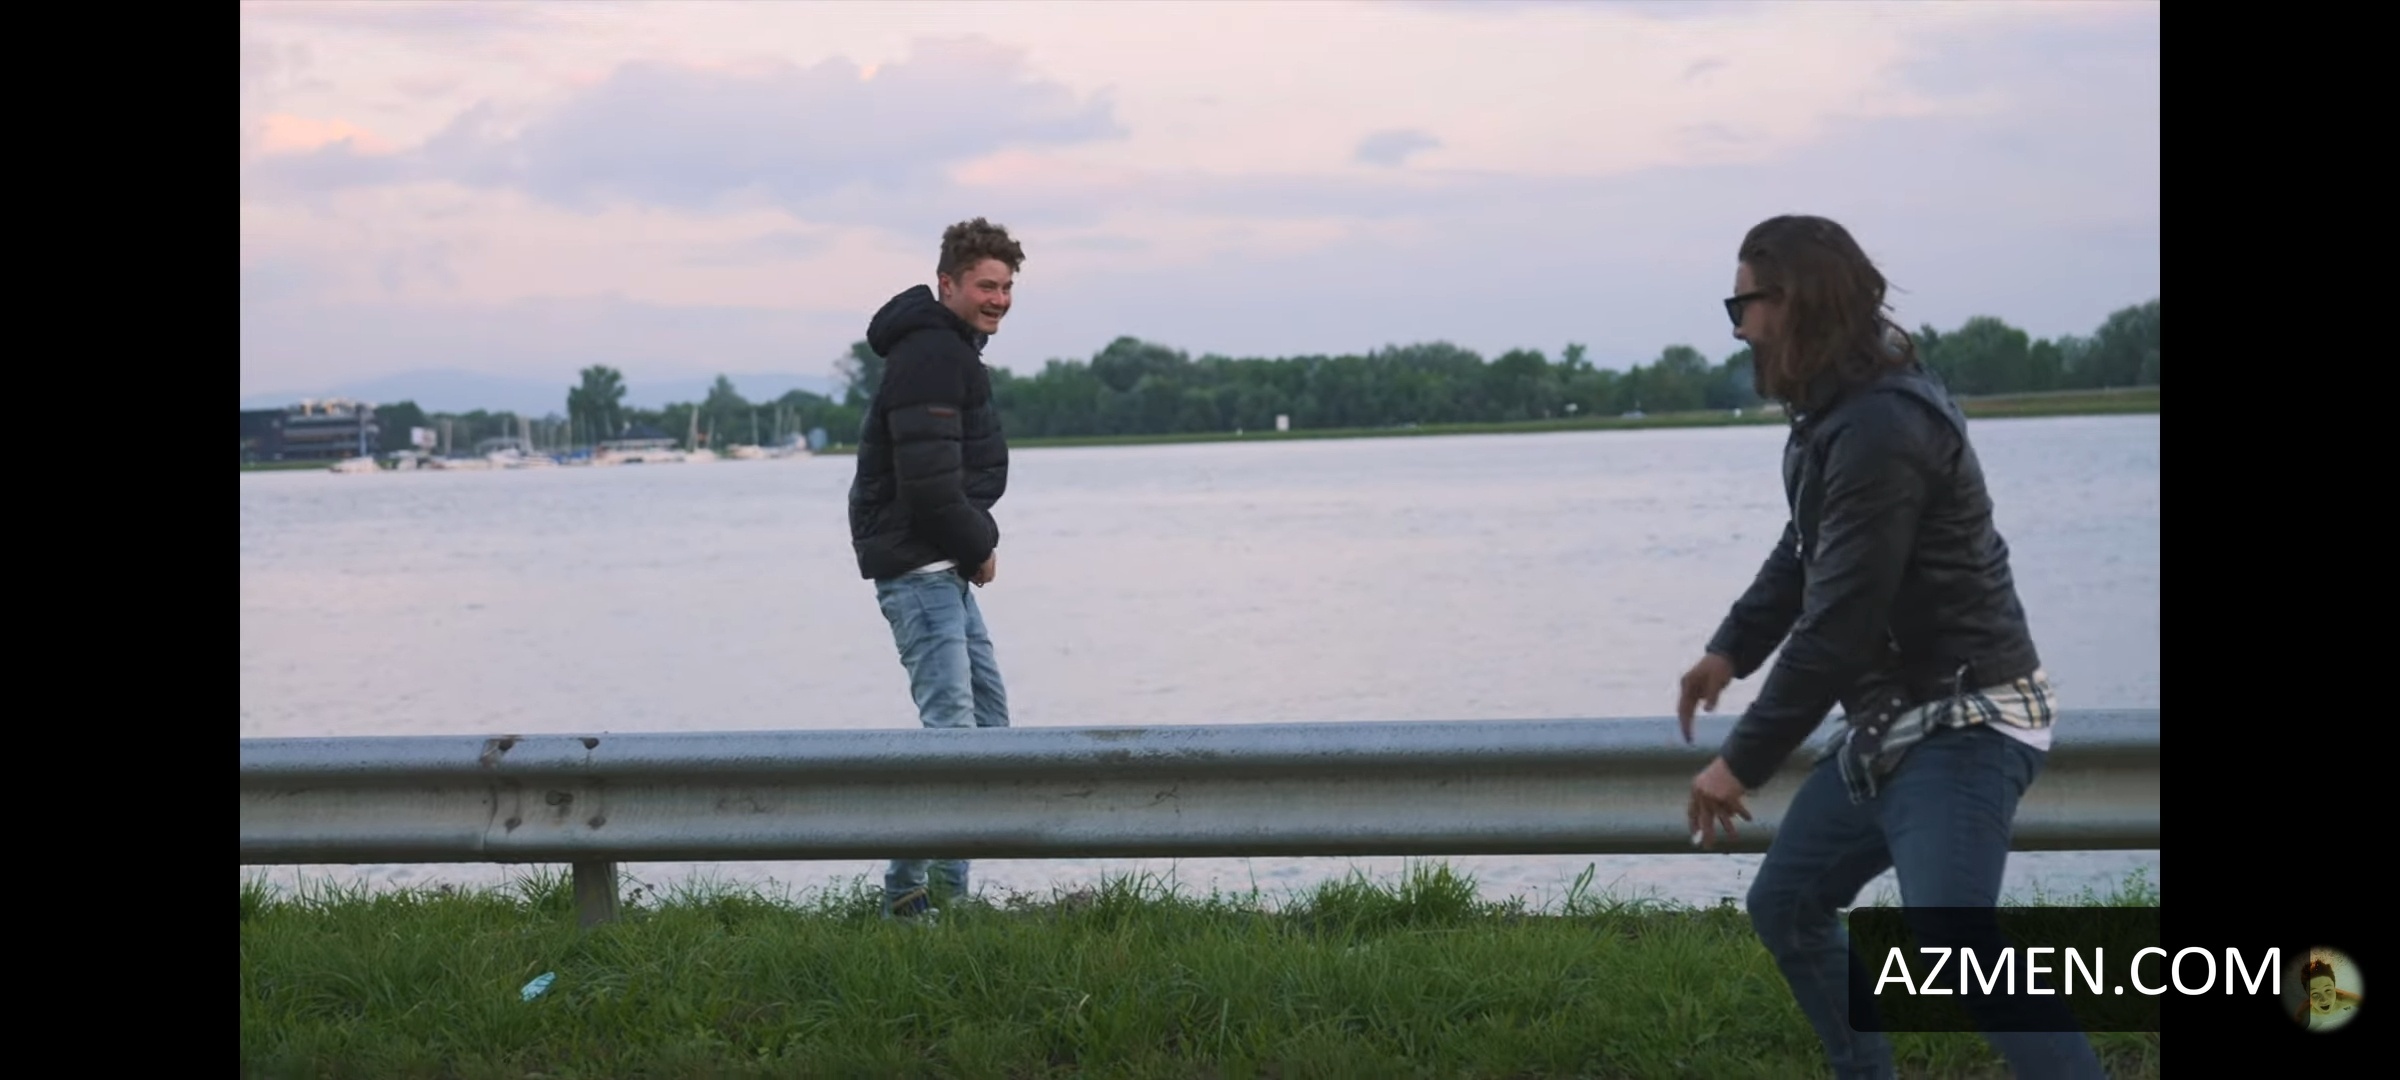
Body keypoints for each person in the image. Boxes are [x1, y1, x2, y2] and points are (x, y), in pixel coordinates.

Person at [1673, 214, 2105, 1078]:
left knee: (1955, 944)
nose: (1740, 328)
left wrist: (1739, 762)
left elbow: (1840, 622)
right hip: (1892, 726)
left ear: (1794, 301)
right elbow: (1808, 547)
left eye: (1743, 304)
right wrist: (1731, 648)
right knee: (1788, 905)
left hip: (1966, 719)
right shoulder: (1838, 413)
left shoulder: (1882, 424)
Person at [847, 217, 1022, 923]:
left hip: (939, 566)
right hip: (921, 569)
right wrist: (979, 543)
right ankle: (907, 897)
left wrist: (968, 546)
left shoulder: (949, 349)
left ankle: (950, 901)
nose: (999, 299)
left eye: (1006, 287)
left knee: (989, 730)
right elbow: (928, 482)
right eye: (986, 286)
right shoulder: (931, 355)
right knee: (953, 736)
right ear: (948, 284)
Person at [2294, 958, 2362, 1031]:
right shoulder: (2306, 1009)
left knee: (2347, 1007)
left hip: (2343, 1004)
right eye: (2315, 993)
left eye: (2328, 990)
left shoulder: (2344, 999)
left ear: (2334, 987)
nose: (2324, 1000)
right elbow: (2298, 1017)